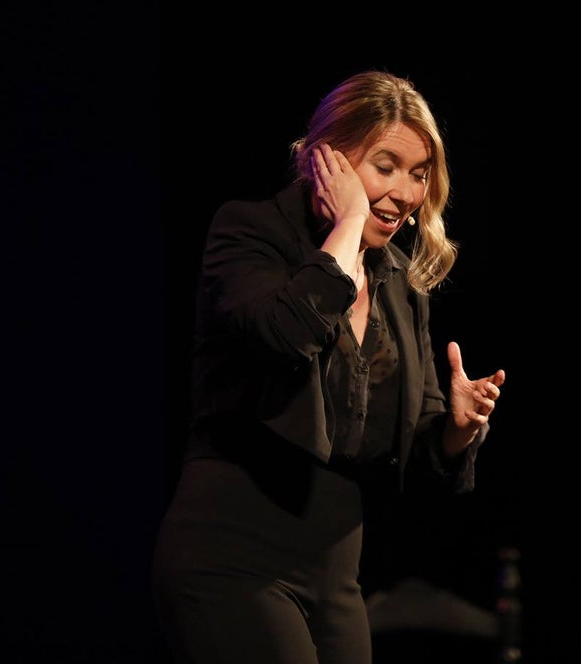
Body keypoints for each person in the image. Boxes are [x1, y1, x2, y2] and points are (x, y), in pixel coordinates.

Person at [151, 70, 506, 664]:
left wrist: (456, 428)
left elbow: (408, 452)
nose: (405, 192)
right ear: (326, 161)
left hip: (335, 574)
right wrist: (345, 227)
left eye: (419, 174)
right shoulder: (250, 234)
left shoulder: (399, 285)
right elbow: (287, 335)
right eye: (385, 166)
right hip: (231, 557)